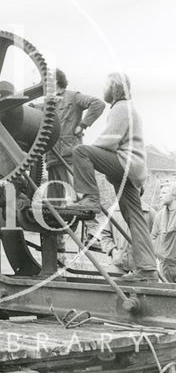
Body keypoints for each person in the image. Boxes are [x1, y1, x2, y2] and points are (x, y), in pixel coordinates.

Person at [67, 72, 158, 283]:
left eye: (106, 86)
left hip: (125, 164)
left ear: (114, 89)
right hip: (133, 169)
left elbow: (109, 140)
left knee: (81, 152)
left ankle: (89, 198)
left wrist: (87, 152)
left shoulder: (121, 108)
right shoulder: (128, 108)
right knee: (135, 218)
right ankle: (147, 269)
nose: (104, 90)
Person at [46, 69, 105, 250]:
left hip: (70, 155)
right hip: (52, 156)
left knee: (80, 193)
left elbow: (98, 103)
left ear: (56, 81)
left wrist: (82, 125)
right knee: (54, 201)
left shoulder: (73, 97)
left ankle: (93, 234)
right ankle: (58, 242)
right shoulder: (47, 103)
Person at [100, 203, 155, 273]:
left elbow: (156, 237)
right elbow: (104, 234)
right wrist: (112, 251)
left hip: (142, 266)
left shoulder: (149, 212)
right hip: (118, 263)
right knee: (115, 283)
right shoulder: (113, 211)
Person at [151, 181, 176, 282]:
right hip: (164, 266)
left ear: (174, 194)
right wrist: (159, 255)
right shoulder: (159, 215)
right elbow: (153, 237)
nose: (160, 196)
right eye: (160, 193)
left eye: (164, 193)